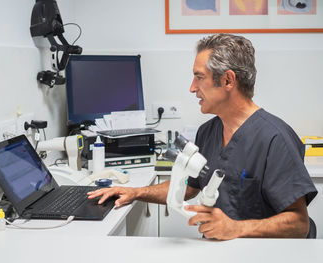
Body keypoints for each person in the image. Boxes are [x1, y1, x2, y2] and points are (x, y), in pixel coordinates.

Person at [87, 33, 317, 240]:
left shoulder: (275, 139)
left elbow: (299, 224)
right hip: (223, 249)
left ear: (228, 80)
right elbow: (188, 186)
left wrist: (237, 228)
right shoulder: (207, 132)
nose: (192, 88)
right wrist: (135, 193)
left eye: (199, 77)